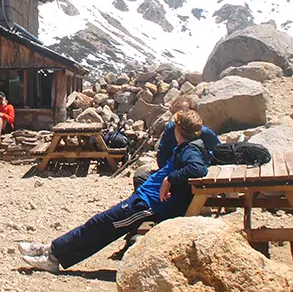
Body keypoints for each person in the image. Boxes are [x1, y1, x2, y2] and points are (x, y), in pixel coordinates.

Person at [19, 110, 213, 273]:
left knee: (100, 226)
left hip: (148, 205)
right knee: (98, 224)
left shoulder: (191, 150)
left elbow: (197, 169)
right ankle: (51, 249)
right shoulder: (190, 146)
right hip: (145, 199)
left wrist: (169, 179)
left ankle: (53, 256)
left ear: (179, 129)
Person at [132, 95, 219, 189]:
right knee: (141, 177)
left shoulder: (203, 133)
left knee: (141, 179)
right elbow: (162, 158)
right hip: (179, 174)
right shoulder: (172, 129)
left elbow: (218, 153)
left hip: (187, 177)